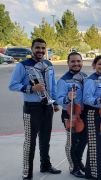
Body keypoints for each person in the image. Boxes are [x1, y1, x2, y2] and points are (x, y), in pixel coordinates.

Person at [8, 38, 61, 180]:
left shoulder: (49, 64)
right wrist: (31, 88)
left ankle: (45, 165)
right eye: (37, 48)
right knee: (30, 142)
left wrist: (55, 103)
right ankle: (27, 172)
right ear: (32, 49)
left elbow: (53, 85)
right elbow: (12, 85)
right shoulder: (23, 65)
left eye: (43, 48)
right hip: (31, 108)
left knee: (45, 140)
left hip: (47, 107)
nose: (40, 51)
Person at [56, 52, 87, 178]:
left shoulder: (85, 77)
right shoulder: (63, 80)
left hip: (82, 113)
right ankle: (73, 167)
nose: (76, 64)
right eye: (73, 61)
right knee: (72, 142)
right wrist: (68, 98)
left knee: (83, 140)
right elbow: (58, 99)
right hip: (70, 114)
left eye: (78, 61)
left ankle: (78, 161)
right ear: (68, 63)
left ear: (82, 62)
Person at [83, 55, 101, 179]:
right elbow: (86, 99)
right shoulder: (91, 80)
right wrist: (98, 99)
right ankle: (94, 174)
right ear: (94, 65)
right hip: (93, 114)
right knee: (95, 145)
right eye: (100, 64)